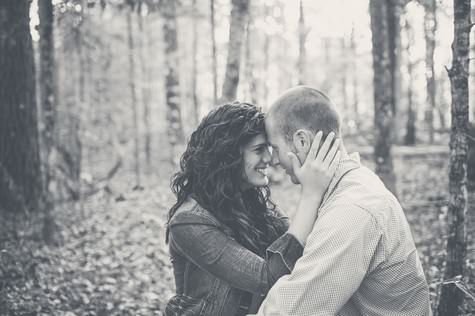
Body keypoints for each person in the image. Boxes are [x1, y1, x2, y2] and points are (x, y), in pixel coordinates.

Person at [253, 86, 432, 315]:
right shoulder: (352, 184)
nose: (274, 160)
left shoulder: (351, 210)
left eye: (275, 148)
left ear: (302, 141)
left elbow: (294, 309)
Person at [164, 102, 340, 316]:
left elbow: (298, 250)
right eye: (258, 150)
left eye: (269, 148)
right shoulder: (189, 221)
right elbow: (266, 277)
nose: (270, 159)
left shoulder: (250, 202)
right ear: (227, 156)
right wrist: (311, 193)